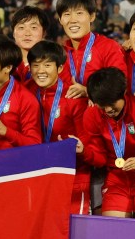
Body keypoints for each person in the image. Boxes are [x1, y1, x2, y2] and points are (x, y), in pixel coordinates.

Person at [80, 67, 135, 220]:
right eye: (102, 104)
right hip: (117, 178)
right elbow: (99, 158)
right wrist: (83, 151)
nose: (108, 109)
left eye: (112, 103)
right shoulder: (91, 116)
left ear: (124, 92)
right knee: (114, 231)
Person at [27, 40, 89, 213]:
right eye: (36, 65)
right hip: (36, 173)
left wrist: (80, 148)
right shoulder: (25, 91)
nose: (40, 71)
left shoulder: (73, 97)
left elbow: (87, 142)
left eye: (47, 65)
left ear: (60, 68)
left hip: (72, 174)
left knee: (73, 231)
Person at [55, 0, 126, 99]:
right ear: (60, 20)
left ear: (92, 16)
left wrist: (88, 91)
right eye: (67, 14)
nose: (73, 20)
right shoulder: (59, 54)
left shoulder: (108, 47)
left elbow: (120, 87)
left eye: (79, 13)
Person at [10, 6, 50, 84]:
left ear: (44, 33)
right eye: (21, 27)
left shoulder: (52, 65)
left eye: (33, 27)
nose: (27, 33)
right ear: (13, 33)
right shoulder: (5, 64)